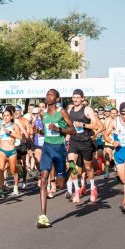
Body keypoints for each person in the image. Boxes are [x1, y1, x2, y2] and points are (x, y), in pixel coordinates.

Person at [36, 89, 77, 228]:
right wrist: (39, 131)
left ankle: (70, 168)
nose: (48, 96)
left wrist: (59, 129)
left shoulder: (62, 112)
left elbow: (73, 130)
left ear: (57, 98)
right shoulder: (42, 113)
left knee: (60, 185)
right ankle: (43, 216)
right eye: (47, 94)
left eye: (51, 95)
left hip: (59, 149)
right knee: (43, 179)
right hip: (47, 148)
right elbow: (46, 130)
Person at [66, 89, 102, 203]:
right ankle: (76, 190)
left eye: (77, 97)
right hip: (74, 141)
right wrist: (67, 133)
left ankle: (92, 187)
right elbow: (67, 124)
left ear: (82, 98)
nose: (75, 99)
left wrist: (83, 124)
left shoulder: (87, 109)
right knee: (72, 165)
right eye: (74, 97)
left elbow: (96, 125)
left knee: (88, 168)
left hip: (85, 142)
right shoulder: (70, 110)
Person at [0, 106, 25, 197]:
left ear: (11, 116)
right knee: (1, 170)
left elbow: (20, 137)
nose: (5, 117)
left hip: (12, 150)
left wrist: (10, 133)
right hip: (2, 150)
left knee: (12, 171)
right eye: (4, 115)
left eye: (7, 115)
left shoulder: (14, 125)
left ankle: (15, 187)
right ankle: (0, 189)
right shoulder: (0, 126)